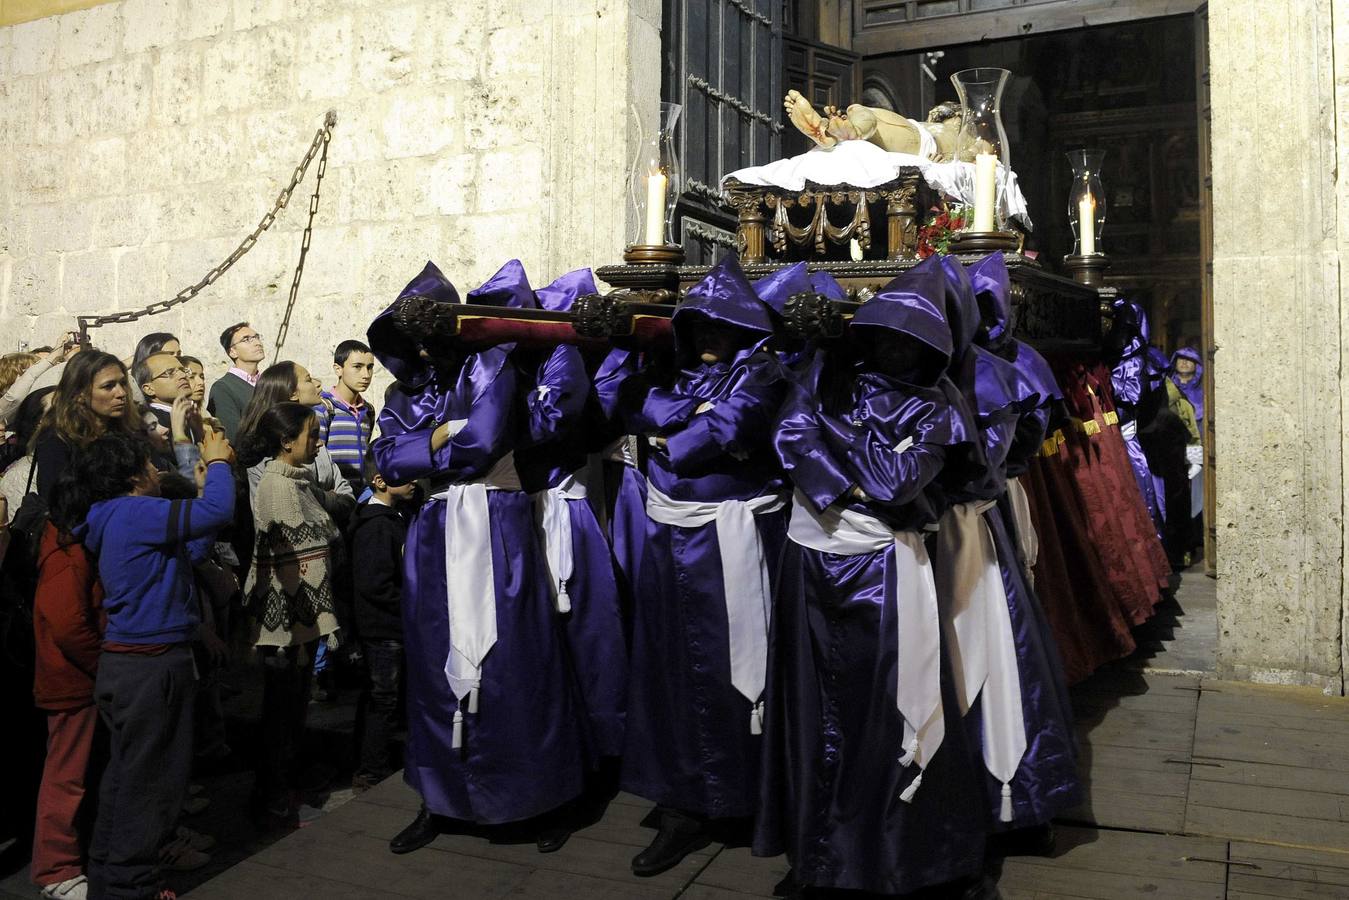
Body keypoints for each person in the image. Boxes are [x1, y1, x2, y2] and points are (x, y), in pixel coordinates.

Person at [756, 264, 992, 898]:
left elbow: (896, 485)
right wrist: (854, 472)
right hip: (811, 560)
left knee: (883, 716)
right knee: (812, 710)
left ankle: (890, 859)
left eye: (908, 337)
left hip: (884, 572)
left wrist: (840, 444)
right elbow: (789, 434)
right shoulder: (826, 373)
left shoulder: (940, 405)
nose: (892, 347)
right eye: (883, 332)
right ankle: (819, 857)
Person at [370, 260, 589, 856]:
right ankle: (440, 797)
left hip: (497, 526)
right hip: (433, 532)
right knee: (432, 659)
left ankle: (545, 796)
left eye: (429, 332)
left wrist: (424, 448)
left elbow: (483, 439)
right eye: (407, 336)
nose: (420, 347)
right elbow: (384, 462)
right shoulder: (399, 392)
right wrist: (438, 438)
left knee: (519, 658)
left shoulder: (491, 365)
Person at [619, 256, 789, 876]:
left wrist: (675, 430)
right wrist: (678, 422)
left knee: (742, 670)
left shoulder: (766, 372)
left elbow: (724, 430)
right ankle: (685, 805)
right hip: (674, 543)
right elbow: (631, 407)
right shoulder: (678, 374)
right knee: (673, 671)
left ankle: (759, 796)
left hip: (742, 544)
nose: (710, 341)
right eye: (700, 329)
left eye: (724, 328)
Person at [73, 425, 235, 900]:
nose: (155, 470)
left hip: (128, 665)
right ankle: (132, 884)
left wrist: (202, 487)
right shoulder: (135, 511)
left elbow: (189, 547)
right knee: (154, 785)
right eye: (148, 464)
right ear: (130, 475)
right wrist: (220, 464)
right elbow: (218, 510)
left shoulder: (112, 515)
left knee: (127, 780)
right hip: (151, 665)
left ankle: (111, 875)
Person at [238, 402, 342, 823]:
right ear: (286, 441)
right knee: (281, 715)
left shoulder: (298, 481)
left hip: (300, 625)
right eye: (311, 434)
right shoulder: (279, 488)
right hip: (285, 628)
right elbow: (290, 562)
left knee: (292, 712)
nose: (318, 441)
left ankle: (285, 786)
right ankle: (273, 795)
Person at [30, 483, 102, 900]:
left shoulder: (67, 549)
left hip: (75, 678)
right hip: (70, 681)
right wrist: (100, 663)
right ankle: (55, 869)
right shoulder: (68, 555)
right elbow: (67, 623)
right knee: (66, 774)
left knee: (74, 772)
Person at [349, 450, 415, 793]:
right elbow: (376, 584)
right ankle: (371, 769)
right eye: (405, 474)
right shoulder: (376, 526)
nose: (414, 480)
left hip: (387, 626)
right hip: (382, 628)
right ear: (380, 481)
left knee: (380, 697)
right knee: (383, 698)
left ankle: (369, 762)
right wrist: (409, 608)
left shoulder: (394, 517)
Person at [33, 352, 141, 503]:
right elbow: (56, 499)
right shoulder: (57, 437)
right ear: (80, 393)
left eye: (123, 383)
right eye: (108, 386)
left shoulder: (129, 429)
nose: (121, 393)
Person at [316, 340, 378, 493]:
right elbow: (316, 457)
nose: (366, 375)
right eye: (357, 367)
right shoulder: (324, 408)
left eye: (370, 368)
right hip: (335, 495)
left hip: (362, 495)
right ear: (338, 369)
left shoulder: (368, 410)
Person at [207, 322, 265, 441]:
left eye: (256, 337)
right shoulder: (223, 388)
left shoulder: (268, 382)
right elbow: (232, 436)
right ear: (232, 352)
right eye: (247, 339)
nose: (257, 343)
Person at [132, 353, 192, 432]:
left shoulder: (186, 415)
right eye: (170, 373)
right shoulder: (156, 423)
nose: (183, 375)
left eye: (183, 370)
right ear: (149, 389)